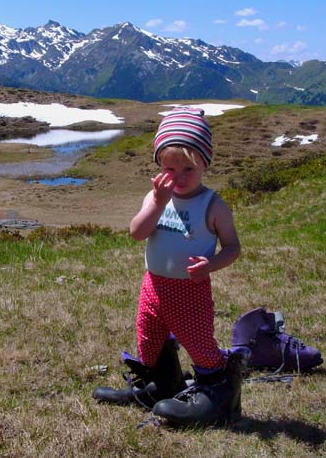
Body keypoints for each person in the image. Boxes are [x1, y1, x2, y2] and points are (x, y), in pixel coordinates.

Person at [93, 107, 248, 425]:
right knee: (149, 337)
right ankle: (161, 385)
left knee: (199, 342)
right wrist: (158, 202)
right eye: (169, 168)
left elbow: (233, 247)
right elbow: (137, 233)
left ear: (205, 162)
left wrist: (212, 264)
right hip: (154, 285)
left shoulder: (213, 205)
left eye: (187, 169)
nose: (177, 177)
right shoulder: (156, 198)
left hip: (190, 289)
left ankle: (217, 392)